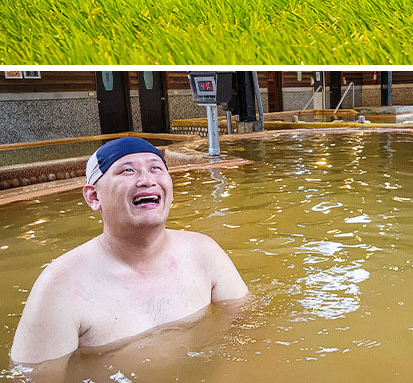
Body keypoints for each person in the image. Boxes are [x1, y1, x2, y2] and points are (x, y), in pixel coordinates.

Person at [9, 137, 248, 369]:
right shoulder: (61, 285)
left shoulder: (203, 252)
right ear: (94, 197)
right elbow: (33, 377)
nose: (147, 180)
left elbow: (249, 323)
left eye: (156, 168)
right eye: (127, 171)